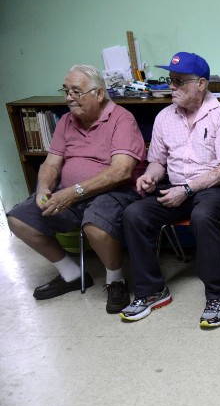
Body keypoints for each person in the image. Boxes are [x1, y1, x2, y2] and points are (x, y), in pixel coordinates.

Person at [120, 52, 220, 327]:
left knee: (203, 217)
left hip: (217, 189)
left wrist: (188, 189)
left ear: (201, 84)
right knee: (134, 214)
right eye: (170, 80)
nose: (171, 87)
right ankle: (152, 291)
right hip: (177, 187)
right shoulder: (165, 117)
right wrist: (151, 177)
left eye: (179, 81)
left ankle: (218, 296)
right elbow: (157, 161)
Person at [7, 64, 146, 313]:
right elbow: (51, 162)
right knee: (19, 220)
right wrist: (43, 189)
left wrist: (74, 192)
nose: (69, 97)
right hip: (69, 192)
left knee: (96, 226)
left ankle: (116, 281)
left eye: (76, 91)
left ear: (99, 94)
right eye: (66, 90)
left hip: (114, 191)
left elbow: (121, 171)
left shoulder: (121, 119)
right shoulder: (66, 122)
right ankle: (72, 274)